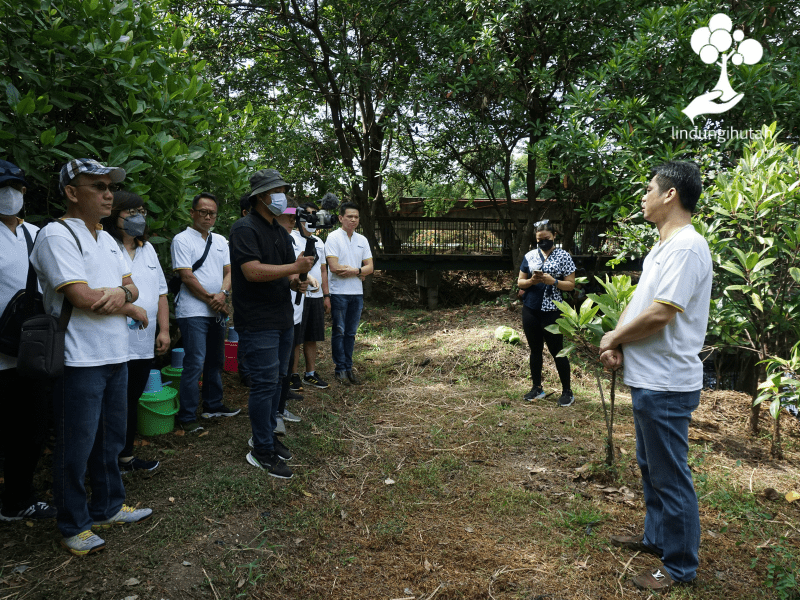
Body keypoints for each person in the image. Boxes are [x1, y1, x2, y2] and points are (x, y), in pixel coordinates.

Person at [30, 158, 152, 555]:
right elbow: (82, 297)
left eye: (109, 187)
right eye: (97, 186)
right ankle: (74, 524)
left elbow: (130, 287)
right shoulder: (57, 235)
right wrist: (125, 301)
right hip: (78, 358)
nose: (108, 194)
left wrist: (122, 296)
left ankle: (108, 506)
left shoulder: (107, 239)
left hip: (115, 354)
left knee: (110, 439)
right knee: (75, 445)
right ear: (71, 192)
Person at [600, 161, 711, 592]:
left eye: (649, 188)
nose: (644, 196)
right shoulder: (662, 247)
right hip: (650, 379)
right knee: (651, 467)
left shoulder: (686, 247)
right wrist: (618, 343)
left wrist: (613, 336)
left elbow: (662, 314)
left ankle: (680, 567)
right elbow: (641, 302)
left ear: (670, 195)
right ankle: (657, 539)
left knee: (670, 476)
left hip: (667, 383)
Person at [229, 169, 313, 479]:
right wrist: (295, 267)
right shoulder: (243, 229)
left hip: (282, 319)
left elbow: (282, 272)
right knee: (263, 385)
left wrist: (295, 281)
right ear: (262, 196)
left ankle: (266, 437)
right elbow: (251, 271)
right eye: (277, 190)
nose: (283, 196)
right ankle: (261, 449)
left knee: (278, 380)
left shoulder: (278, 231)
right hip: (257, 320)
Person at [0, 161, 57, 522]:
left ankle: (18, 500)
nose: (9, 195)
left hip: (31, 348)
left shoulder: (37, 235)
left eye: (15, 187)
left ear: (24, 191)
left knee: (31, 427)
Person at [100, 191, 170, 473]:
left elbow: (162, 294)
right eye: (130, 211)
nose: (137, 217)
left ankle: (125, 457)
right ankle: (106, 462)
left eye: (141, 210)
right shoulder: (105, 246)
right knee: (111, 404)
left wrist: (163, 330)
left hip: (143, 341)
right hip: (113, 341)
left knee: (131, 399)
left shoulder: (148, 249)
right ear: (114, 213)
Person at [171, 192, 238, 433]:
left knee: (215, 359)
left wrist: (222, 294)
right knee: (195, 361)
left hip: (216, 311)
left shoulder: (220, 241)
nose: (208, 216)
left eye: (212, 213)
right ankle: (187, 416)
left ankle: (213, 405)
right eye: (203, 212)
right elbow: (186, 276)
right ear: (192, 213)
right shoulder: (182, 240)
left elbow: (229, 271)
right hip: (192, 311)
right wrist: (213, 300)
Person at [517, 221, 576, 407]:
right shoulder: (530, 256)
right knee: (535, 350)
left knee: (557, 350)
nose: (543, 243)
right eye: (539, 240)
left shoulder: (564, 256)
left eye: (546, 239)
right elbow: (520, 282)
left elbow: (571, 285)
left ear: (554, 236)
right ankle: (537, 388)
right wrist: (532, 281)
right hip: (531, 309)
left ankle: (567, 391)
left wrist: (554, 281)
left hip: (552, 311)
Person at [325, 202, 373, 385]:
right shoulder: (333, 237)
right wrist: (361, 271)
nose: (353, 220)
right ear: (340, 218)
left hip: (356, 293)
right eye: (349, 216)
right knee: (339, 331)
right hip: (338, 292)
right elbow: (334, 267)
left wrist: (355, 271)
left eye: (356, 217)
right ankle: (340, 369)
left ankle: (349, 367)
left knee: (351, 333)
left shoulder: (362, 240)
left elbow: (371, 267)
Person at [292, 202, 330, 390]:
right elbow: (291, 266)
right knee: (296, 338)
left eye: (315, 215)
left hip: (315, 296)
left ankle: (310, 373)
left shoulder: (319, 242)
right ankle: (292, 375)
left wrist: (326, 295)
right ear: (299, 218)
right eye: (308, 215)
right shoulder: (291, 238)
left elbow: (323, 271)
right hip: (297, 295)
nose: (312, 219)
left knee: (311, 336)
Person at [236, 192, 252, 387]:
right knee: (246, 335)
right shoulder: (241, 232)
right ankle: (245, 372)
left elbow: (290, 210)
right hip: (246, 298)